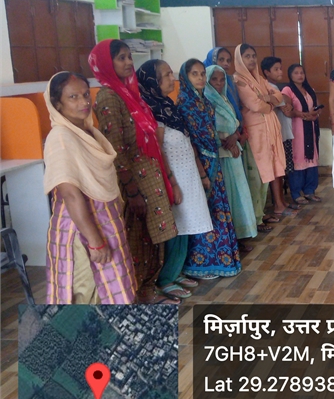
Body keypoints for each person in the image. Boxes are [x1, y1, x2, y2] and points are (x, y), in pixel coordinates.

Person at [92, 39, 179, 305]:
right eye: (121, 58)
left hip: (149, 175)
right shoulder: (108, 97)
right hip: (134, 182)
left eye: (129, 56)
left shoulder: (130, 94)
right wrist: (131, 191)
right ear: (106, 63)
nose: (129, 62)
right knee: (137, 239)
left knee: (153, 236)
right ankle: (139, 293)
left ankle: (149, 288)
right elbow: (115, 148)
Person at [43, 72, 137, 304]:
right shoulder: (61, 137)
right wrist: (95, 241)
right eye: (73, 97)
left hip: (104, 221)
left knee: (113, 288)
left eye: (86, 94)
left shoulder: (88, 132)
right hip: (81, 229)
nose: (84, 102)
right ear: (57, 104)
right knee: (86, 294)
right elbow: (70, 194)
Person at [137, 59, 213, 299]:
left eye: (172, 73)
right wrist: (172, 183)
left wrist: (201, 174)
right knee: (175, 227)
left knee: (187, 224)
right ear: (153, 81)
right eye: (167, 75)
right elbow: (158, 150)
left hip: (187, 173)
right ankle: (166, 278)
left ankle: (177, 271)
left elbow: (187, 142)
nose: (173, 79)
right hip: (173, 178)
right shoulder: (152, 111)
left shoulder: (168, 105)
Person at [176, 59, 242, 278]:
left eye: (202, 73)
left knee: (217, 207)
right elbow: (191, 140)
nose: (201, 78)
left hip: (213, 159)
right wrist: (202, 171)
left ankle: (221, 258)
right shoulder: (184, 103)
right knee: (204, 210)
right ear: (185, 77)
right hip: (198, 164)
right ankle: (201, 262)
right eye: (195, 74)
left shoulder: (204, 101)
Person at [206, 46, 268, 228]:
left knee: (240, 189)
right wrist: (229, 139)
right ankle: (235, 231)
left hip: (238, 140)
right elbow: (256, 105)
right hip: (220, 151)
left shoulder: (229, 87)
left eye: (228, 60)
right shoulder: (206, 97)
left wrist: (238, 133)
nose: (225, 64)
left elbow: (235, 114)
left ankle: (244, 228)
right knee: (230, 191)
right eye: (221, 60)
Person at [233, 44, 294, 220]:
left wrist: (268, 98)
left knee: (274, 165)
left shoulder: (259, 78)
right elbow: (255, 105)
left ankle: (275, 207)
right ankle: (258, 216)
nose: (252, 59)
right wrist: (270, 104)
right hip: (256, 131)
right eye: (247, 56)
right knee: (258, 173)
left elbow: (279, 95)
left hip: (269, 128)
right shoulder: (239, 80)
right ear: (239, 59)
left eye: (253, 56)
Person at [261, 56, 299, 209]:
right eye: (276, 69)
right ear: (266, 72)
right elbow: (283, 104)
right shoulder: (267, 87)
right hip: (276, 135)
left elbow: (287, 103)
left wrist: (285, 102)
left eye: (280, 68)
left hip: (283, 133)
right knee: (277, 170)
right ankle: (278, 204)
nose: (280, 72)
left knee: (282, 169)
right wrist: (283, 102)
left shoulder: (276, 88)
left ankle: (282, 201)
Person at [282, 64, 322, 203]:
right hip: (297, 129)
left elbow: (317, 106)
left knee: (311, 159)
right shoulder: (287, 90)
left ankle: (310, 191)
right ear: (290, 75)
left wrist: (315, 113)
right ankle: (296, 193)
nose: (300, 75)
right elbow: (287, 110)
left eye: (302, 72)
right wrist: (304, 115)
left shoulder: (309, 89)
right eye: (296, 73)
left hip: (311, 128)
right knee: (298, 158)